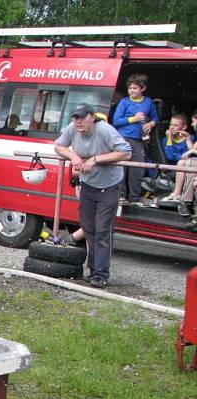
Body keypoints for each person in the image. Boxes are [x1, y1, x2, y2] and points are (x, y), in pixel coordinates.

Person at [54, 102, 132, 288]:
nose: (78, 121)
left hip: (109, 186)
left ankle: (101, 274)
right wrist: (74, 157)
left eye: (82, 117)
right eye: (75, 117)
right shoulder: (73, 129)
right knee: (89, 229)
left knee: (103, 230)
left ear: (92, 117)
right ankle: (92, 270)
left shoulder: (105, 130)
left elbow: (126, 152)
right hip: (88, 185)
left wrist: (96, 159)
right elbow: (58, 146)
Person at [111, 74, 158, 206]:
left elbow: (155, 118)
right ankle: (121, 196)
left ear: (143, 89)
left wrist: (151, 124)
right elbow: (116, 121)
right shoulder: (124, 102)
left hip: (139, 140)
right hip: (123, 138)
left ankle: (134, 198)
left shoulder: (148, 102)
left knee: (137, 169)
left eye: (135, 88)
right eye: (130, 88)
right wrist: (134, 119)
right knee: (122, 167)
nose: (131, 90)